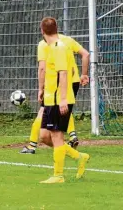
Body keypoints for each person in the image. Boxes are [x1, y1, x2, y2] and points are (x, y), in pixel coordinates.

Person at [37, 17, 90, 184]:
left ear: (42, 30)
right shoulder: (52, 46)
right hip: (50, 98)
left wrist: (63, 100)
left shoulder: (59, 47)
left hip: (57, 99)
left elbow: (63, 74)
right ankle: (79, 157)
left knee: (57, 135)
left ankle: (58, 175)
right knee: (45, 135)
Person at [20, 31, 90, 154]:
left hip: (56, 83)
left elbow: (42, 68)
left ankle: (32, 145)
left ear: (44, 31)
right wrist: (84, 74)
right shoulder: (67, 40)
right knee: (65, 109)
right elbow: (85, 54)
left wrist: (41, 88)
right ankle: (72, 135)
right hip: (73, 81)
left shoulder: (43, 44)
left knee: (44, 111)